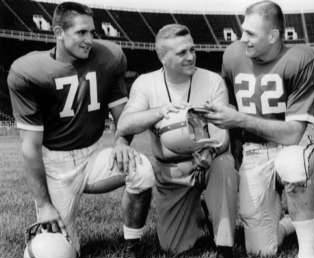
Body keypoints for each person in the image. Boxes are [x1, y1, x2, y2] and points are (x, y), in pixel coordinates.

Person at [7, 2, 154, 258]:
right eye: (81, 33)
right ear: (58, 32)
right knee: (57, 253)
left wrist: (121, 142)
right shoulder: (28, 72)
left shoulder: (108, 57)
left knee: (142, 170)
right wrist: (43, 205)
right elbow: (30, 148)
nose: (89, 40)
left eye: (92, 32)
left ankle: (133, 245)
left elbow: (124, 116)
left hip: (92, 156)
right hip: (55, 166)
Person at [203, 1, 314, 258]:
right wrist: (233, 150)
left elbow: (293, 133)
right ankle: (290, 222)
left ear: (273, 35)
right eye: (243, 31)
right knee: (260, 250)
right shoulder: (233, 56)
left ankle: (309, 251)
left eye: (251, 34)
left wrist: (240, 120)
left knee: (293, 164)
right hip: (254, 150)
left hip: (293, 144)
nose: (242, 39)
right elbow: (229, 108)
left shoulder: (302, 59)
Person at [117, 24, 238, 258]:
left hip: (209, 161)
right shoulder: (145, 83)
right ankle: (199, 213)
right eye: (182, 53)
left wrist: (209, 153)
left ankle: (225, 246)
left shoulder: (212, 81)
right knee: (172, 247)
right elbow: (124, 124)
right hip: (172, 170)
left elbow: (222, 135)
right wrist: (160, 111)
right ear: (163, 57)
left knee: (224, 166)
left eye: (192, 49)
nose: (191, 56)